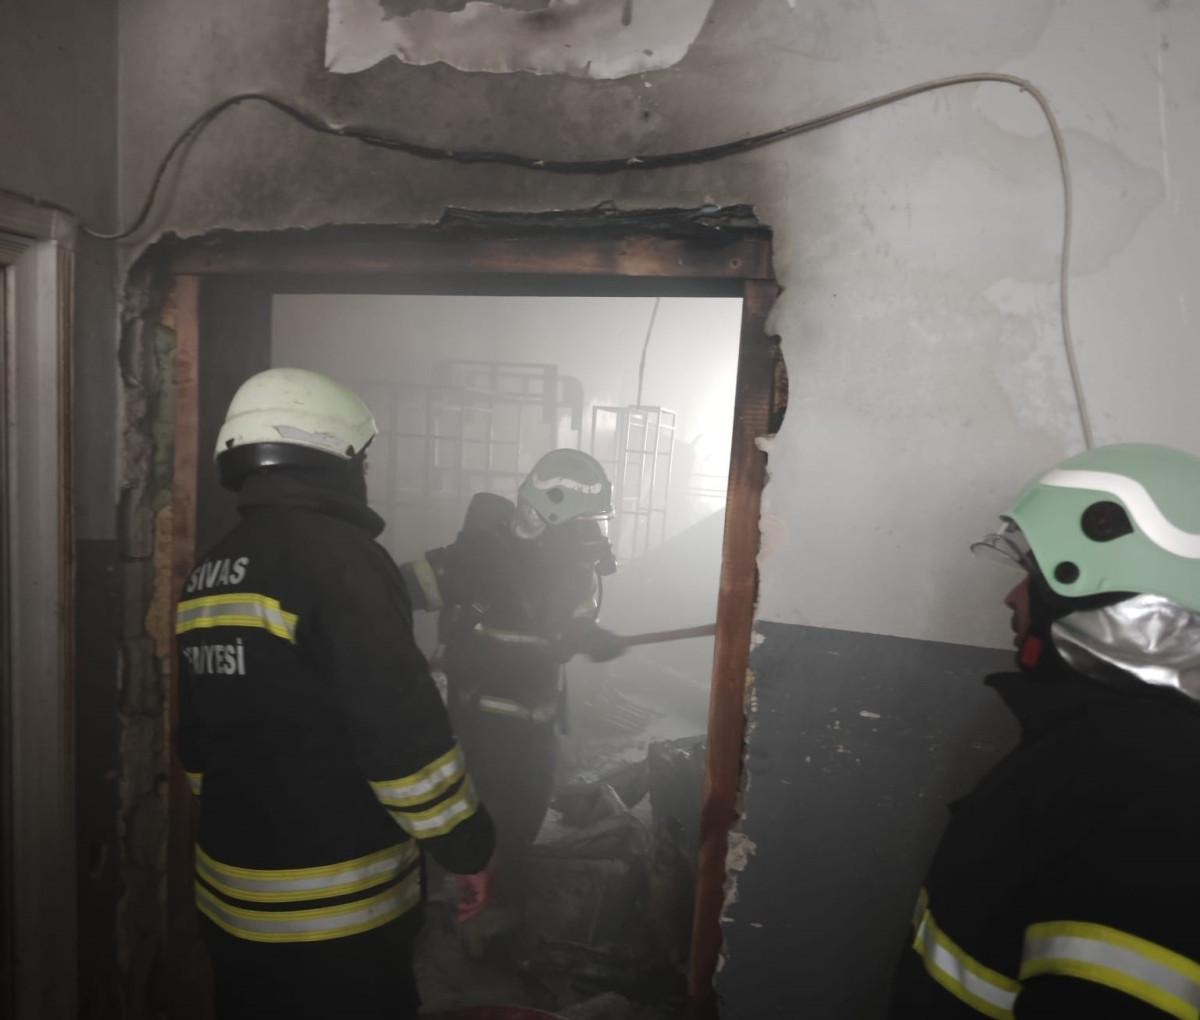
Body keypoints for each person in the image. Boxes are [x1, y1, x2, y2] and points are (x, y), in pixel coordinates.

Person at [175, 368, 495, 1019]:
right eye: (362, 459)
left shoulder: (210, 571)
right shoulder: (342, 559)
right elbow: (403, 739)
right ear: (332, 455)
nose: (365, 473)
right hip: (337, 918)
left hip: (229, 903)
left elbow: (199, 748)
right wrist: (467, 845)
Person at [889, 443, 1200, 1018]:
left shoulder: (1152, 787)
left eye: (1031, 577)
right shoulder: (1098, 748)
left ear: (1116, 601)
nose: (1011, 597)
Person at [400, 448, 624, 908]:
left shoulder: (574, 568)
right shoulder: (482, 555)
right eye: (585, 522)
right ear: (551, 513)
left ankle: (500, 907)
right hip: (481, 723)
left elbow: (576, 617)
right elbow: (397, 591)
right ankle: (453, 907)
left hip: (537, 722)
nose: (594, 535)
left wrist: (590, 635)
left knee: (523, 820)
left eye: (596, 523)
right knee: (476, 821)